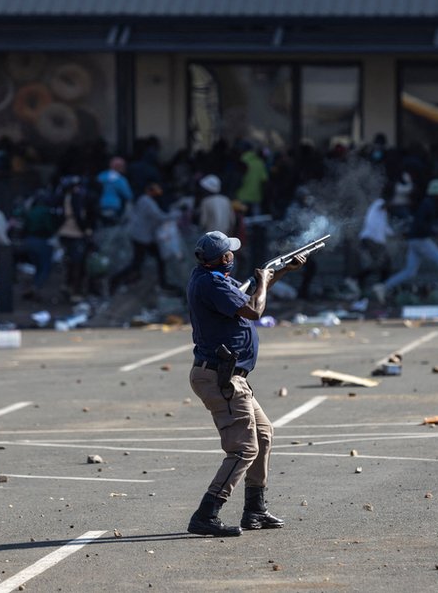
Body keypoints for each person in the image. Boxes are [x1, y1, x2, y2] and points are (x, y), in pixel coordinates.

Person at [185, 230, 305, 537]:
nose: (234, 256)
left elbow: (245, 301)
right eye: (231, 252)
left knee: (263, 435)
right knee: (243, 449)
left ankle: (255, 509)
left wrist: (278, 274)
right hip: (221, 377)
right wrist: (264, 279)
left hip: (229, 376)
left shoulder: (211, 279)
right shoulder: (212, 283)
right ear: (225, 258)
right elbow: (254, 309)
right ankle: (206, 514)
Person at [372, 179, 438, 306]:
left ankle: (383, 287)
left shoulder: (429, 204)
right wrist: (435, 233)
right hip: (420, 240)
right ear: (436, 194)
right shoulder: (429, 205)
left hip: (415, 240)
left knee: (410, 271)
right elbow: (421, 225)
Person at [111, 182, 176, 290]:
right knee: (138, 262)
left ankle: (162, 282)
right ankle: (116, 279)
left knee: (159, 258)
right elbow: (159, 217)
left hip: (142, 236)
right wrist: (175, 214)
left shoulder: (143, 199)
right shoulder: (147, 202)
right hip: (142, 238)